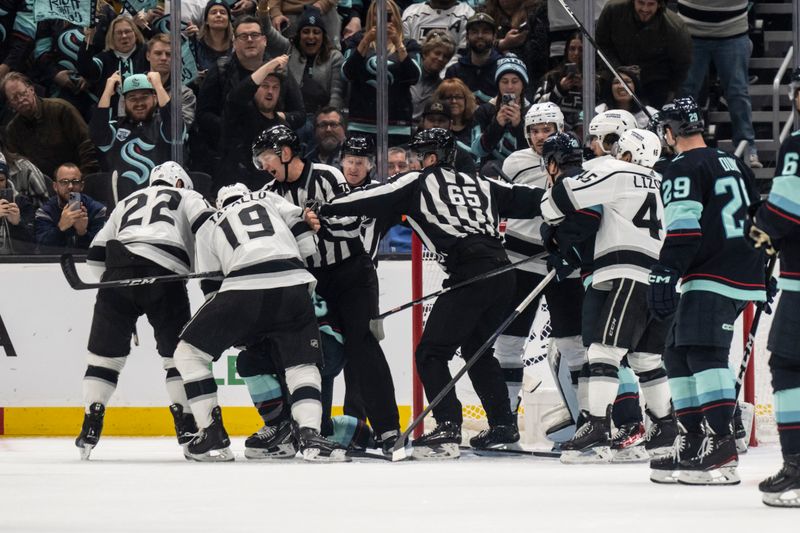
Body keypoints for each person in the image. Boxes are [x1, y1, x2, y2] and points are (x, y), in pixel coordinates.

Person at [317, 128, 545, 459]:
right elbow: (536, 199)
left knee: (430, 353)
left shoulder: (418, 181)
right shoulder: (483, 182)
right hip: (503, 272)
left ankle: (449, 426)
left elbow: (366, 197)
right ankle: (503, 425)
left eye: (420, 156)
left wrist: (323, 208)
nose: (415, 162)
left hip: (470, 273)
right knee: (477, 350)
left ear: (434, 157)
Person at [252, 124, 403, 455]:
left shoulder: (327, 176)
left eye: (267, 157)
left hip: (351, 274)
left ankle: (389, 429)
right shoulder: (269, 193)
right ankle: (316, 430)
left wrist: (321, 220)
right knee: (316, 352)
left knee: (363, 348)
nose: (264, 165)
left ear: (286, 153)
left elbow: (354, 221)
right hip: (310, 280)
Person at [173, 183, 349, 462]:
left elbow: (211, 290)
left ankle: (212, 432)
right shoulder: (267, 197)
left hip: (242, 287)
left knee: (187, 353)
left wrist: (238, 327)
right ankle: (310, 434)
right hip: (295, 283)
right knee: (301, 364)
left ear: (220, 204)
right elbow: (304, 235)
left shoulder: (210, 223)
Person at [646, 97, 765, 485]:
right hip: (735, 270)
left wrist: (666, 271)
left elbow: (684, 227)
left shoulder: (683, 166)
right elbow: (757, 218)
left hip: (712, 272)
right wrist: (764, 267)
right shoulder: (735, 163)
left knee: (702, 352)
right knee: (677, 352)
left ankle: (722, 446)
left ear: (669, 132)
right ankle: (693, 438)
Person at [541, 129, 676, 464]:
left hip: (625, 271)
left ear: (628, 154)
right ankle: (666, 427)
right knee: (646, 359)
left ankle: (597, 427)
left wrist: (553, 226)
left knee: (603, 351)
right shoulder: (665, 181)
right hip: (664, 278)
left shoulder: (617, 171)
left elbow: (559, 198)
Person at [74, 162, 214, 460]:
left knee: (104, 358)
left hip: (116, 274)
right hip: (164, 274)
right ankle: (186, 426)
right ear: (179, 183)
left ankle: (91, 421)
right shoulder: (187, 196)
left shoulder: (127, 201)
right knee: (176, 358)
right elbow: (208, 229)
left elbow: (96, 256)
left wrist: (121, 289)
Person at [494, 103, 585, 441]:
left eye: (547, 128)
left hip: (564, 265)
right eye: (534, 129)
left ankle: (588, 421)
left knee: (574, 344)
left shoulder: (578, 165)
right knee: (508, 344)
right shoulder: (515, 163)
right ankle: (503, 423)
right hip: (520, 261)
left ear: (560, 128)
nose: (540, 135)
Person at [745, 68, 800, 507]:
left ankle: (798, 468)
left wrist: (759, 230)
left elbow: (784, 211)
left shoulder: (797, 145)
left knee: (788, 367)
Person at [677, 0, 760, 169]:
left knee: (738, 92)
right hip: (690, 31)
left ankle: (747, 147)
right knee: (686, 94)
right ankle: (684, 146)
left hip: (733, 31)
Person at [342, 0, 422, 147]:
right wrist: (366, 41)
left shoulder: (409, 44)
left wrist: (398, 43)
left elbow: (414, 77)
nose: (382, 19)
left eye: (388, 15)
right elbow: (347, 73)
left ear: (396, 17)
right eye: (377, 14)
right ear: (370, 17)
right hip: (360, 123)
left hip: (397, 124)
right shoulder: (357, 40)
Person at [220, 54, 304, 190]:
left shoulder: (283, 126)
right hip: (238, 190)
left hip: (273, 193)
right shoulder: (241, 113)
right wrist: (270, 66)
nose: (270, 91)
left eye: (275, 87)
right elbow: (236, 97)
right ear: (255, 89)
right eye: (265, 86)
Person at [90, 72, 181, 196]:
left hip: (161, 203)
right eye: (132, 98)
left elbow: (175, 127)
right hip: (122, 205)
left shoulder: (162, 125)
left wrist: (159, 86)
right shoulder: (115, 128)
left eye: (144, 97)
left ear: (155, 98)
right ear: (124, 103)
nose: (139, 103)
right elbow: (97, 134)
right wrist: (107, 92)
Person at [595, 0, 691, 108]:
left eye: (650, 4)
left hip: (654, 79)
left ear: (659, 4)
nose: (645, 9)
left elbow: (682, 63)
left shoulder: (675, 26)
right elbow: (601, 44)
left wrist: (672, 89)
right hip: (615, 71)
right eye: (641, 2)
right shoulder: (612, 10)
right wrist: (620, 70)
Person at [2, 72, 99, 178]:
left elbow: (86, 143)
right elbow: (18, 166)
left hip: (77, 177)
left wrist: (84, 178)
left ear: (31, 90)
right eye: (14, 98)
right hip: (43, 186)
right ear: (10, 104)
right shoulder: (12, 130)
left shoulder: (60, 109)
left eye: (23, 93)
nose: (20, 100)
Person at [260, 4, 345, 114]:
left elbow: (336, 95)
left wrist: (329, 119)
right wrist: (262, 8)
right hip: (290, 116)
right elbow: (267, 31)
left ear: (323, 36)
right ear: (299, 35)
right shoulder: (288, 48)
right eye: (306, 31)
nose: (310, 36)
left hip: (320, 119)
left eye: (316, 32)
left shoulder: (335, 57)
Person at [471, 54, 530, 169]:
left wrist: (519, 126)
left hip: (524, 169)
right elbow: (476, 150)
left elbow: (536, 151)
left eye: (515, 81)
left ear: (523, 84)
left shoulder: (533, 111)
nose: (509, 86)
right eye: (504, 81)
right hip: (491, 171)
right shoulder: (484, 110)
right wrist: (496, 125)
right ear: (498, 84)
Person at [34, 163, 106, 251]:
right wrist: (61, 227)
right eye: (64, 182)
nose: (70, 186)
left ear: (82, 186)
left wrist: (82, 232)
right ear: (55, 186)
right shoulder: (44, 212)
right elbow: (42, 249)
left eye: (75, 182)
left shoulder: (98, 211)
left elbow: (100, 250)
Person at [76, 15, 150, 102]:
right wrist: (89, 38)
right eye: (118, 33)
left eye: (128, 31)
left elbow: (166, 44)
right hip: (112, 112)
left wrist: (146, 27)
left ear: (136, 34)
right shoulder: (104, 57)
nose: (124, 36)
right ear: (112, 37)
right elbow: (85, 70)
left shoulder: (147, 53)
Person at [445, 12, 503, 105]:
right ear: (467, 37)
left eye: (485, 31)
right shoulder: (454, 71)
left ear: (494, 37)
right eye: (475, 32)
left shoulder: (504, 68)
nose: (480, 36)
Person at [534, 32, 583, 133]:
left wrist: (585, 89)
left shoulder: (595, 80)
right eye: (572, 49)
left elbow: (601, 108)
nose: (576, 53)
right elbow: (536, 107)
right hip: (555, 130)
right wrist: (559, 89)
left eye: (581, 49)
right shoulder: (551, 77)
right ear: (566, 51)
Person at [147, 34, 197, 128]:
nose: (163, 58)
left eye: (169, 54)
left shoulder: (185, 93)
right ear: (148, 56)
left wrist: (159, 87)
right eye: (158, 53)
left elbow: (182, 128)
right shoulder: (133, 86)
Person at [417, 100, 475, 176]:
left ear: (450, 124)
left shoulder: (462, 157)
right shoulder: (409, 152)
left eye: (441, 120)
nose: (436, 124)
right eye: (431, 119)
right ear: (422, 122)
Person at [411, 31, 457, 123]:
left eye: (446, 56)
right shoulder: (407, 76)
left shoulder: (442, 87)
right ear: (425, 53)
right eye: (437, 53)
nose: (440, 59)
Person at [594, 65, 658, 129]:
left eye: (627, 82)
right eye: (616, 82)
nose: (622, 86)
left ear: (635, 86)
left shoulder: (651, 114)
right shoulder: (599, 112)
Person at [401, 0, 474, 53]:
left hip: (452, 71)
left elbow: (462, 53)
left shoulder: (467, 14)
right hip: (416, 69)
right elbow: (404, 48)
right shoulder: (411, 13)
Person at [433, 78, 477, 155]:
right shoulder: (434, 127)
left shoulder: (476, 124)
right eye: (448, 97)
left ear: (466, 100)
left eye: (458, 97)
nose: (454, 101)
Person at [190, 0, 234, 76]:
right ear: (206, 20)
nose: (218, 15)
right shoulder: (195, 44)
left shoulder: (236, 45)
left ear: (228, 20)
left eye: (223, 12)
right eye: (213, 12)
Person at [0, 165, 34, 255]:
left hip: (16, 264)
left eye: (1, 180)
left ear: (7, 181)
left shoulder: (22, 203)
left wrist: (17, 224)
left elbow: (32, 248)